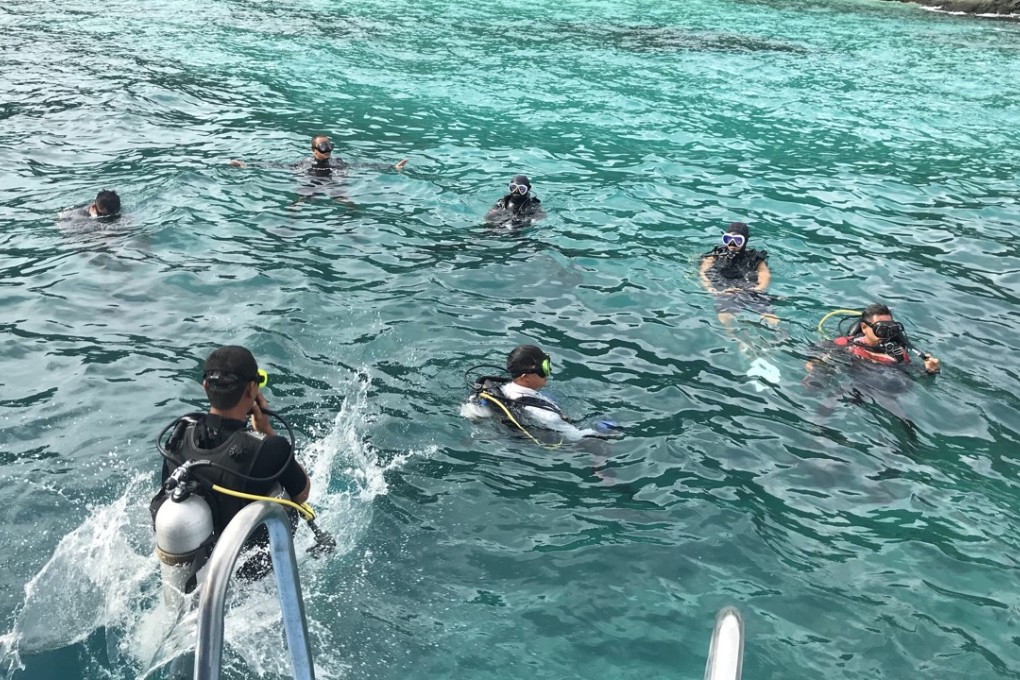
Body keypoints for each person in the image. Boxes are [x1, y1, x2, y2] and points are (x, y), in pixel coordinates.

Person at [151, 345, 311, 579]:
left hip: (190, 568)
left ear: (206, 386)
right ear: (252, 388)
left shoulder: (181, 434)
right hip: (246, 575)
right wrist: (266, 430)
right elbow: (302, 493)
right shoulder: (270, 448)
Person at [462, 344, 616, 441]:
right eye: (544, 369)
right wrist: (604, 436)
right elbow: (574, 436)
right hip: (551, 440)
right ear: (525, 377)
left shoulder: (503, 388)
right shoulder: (544, 413)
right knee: (601, 438)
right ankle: (602, 472)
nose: (549, 373)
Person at [807, 303, 941, 375]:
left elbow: (909, 373)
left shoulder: (898, 354)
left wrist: (930, 371)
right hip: (852, 379)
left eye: (891, 329)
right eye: (881, 329)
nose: (887, 335)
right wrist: (816, 363)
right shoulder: (848, 343)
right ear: (864, 327)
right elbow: (816, 350)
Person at [699, 221, 777, 328]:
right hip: (726, 290)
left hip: (749, 289)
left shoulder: (755, 259)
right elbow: (703, 272)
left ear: (745, 241)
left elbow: (765, 276)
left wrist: (753, 291)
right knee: (725, 315)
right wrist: (710, 288)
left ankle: (781, 334)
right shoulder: (716, 254)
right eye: (728, 239)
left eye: (738, 240)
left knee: (770, 316)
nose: (732, 244)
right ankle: (738, 338)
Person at [229, 134, 408, 175]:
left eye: (329, 147)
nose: (327, 151)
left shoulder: (338, 162)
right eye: (323, 148)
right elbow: (276, 165)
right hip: (311, 183)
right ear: (314, 151)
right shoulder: (305, 163)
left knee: (347, 202)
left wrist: (392, 167)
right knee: (298, 204)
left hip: (333, 183)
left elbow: (362, 165)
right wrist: (247, 165)